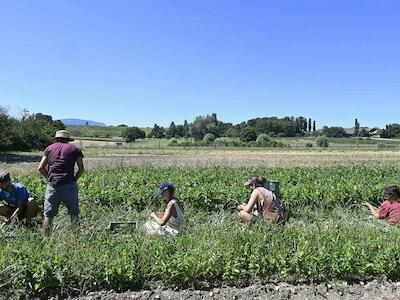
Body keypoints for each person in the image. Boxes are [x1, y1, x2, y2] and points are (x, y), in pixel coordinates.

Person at [38, 130, 84, 236]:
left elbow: (40, 167)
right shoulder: (75, 149)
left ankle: (47, 241)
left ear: (56, 138)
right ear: (68, 139)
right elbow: (81, 169)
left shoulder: (49, 148)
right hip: (69, 184)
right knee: (74, 214)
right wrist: (74, 179)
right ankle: (76, 239)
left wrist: (49, 178)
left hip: (53, 184)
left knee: (48, 215)